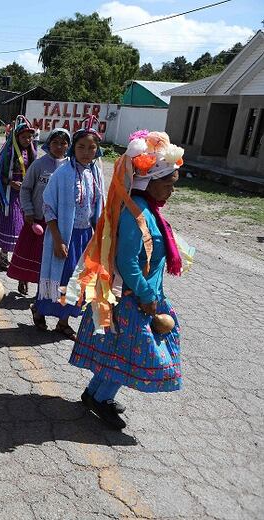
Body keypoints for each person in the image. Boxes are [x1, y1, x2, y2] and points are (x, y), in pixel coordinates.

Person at [67, 130, 190, 430]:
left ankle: (95, 394)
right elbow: (128, 262)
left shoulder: (147, 209)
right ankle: (100, 398)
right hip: (133, 297)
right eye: (168, 184)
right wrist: (148, 297)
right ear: (150, 182)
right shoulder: (137, 212)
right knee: (128, 354)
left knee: (118, 352)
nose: (172, 191)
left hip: (141, 294)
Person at [33, 119, 105, 340]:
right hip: (63, 234)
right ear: (74, 147)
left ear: (98, 149)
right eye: (81, 146)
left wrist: (99, 238)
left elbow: (98, 207)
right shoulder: (63, 174)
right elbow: (49, 207)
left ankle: (63, 323)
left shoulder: (95, 173)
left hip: (85, 237)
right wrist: (57, 239)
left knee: (77, 281)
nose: (86, 152)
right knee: (59, 277)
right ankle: (40, 308)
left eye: (91, 147)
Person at [7, 128, 70, 296]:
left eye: (63, 143)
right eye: (55, 143)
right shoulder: (39, 165)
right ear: (48, 144)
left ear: (68, 146)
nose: (58, 147)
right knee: (29, 252)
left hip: (58, 223)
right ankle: (23, 278)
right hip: (36, 219)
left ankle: (41, 292)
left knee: (47, 257)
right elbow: (26, 189)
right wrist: (28, 210)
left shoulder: (71, 167)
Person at [0, 116, 37, 270]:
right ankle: (3, 256)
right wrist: (10, 182)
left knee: (21, 227)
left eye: (29, 137)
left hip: (25, 196)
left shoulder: (32, 153)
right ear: (16, 137)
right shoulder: (7, 153)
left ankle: (11, 258)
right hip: (9, 195)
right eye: (23, 137)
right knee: (12, 225)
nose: (27, 140)